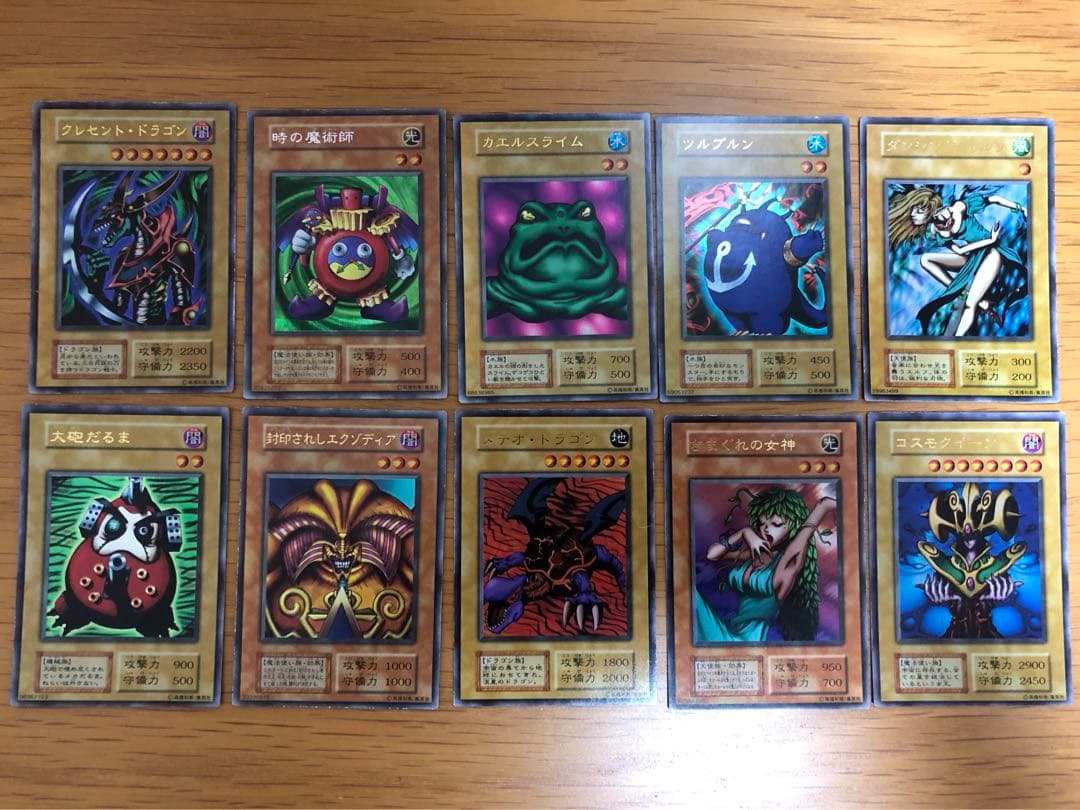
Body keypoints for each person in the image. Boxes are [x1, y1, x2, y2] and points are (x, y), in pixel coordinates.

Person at [694, 487, 835, 643]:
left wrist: (822, 507)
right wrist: (744, 533)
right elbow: (712, 554)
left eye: (775, 524)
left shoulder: (786, 564)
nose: (766, 529)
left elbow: (802, 538)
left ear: (791, 527)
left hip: (747, 639)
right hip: (730, 629)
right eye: (762, 523)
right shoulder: (754, 555)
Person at [887, 184, 1027, 337]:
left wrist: (1020, 208)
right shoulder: (935, 231)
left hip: (991, 252)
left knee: (969, 305)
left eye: (916, 211)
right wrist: (989, 240)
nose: (913, 217)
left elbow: (994, 199)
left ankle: (958, 340)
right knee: (925, 260)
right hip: (974, 256)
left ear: (925, 207)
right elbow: (960, 251)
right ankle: (968, 296)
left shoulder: (959, 208)